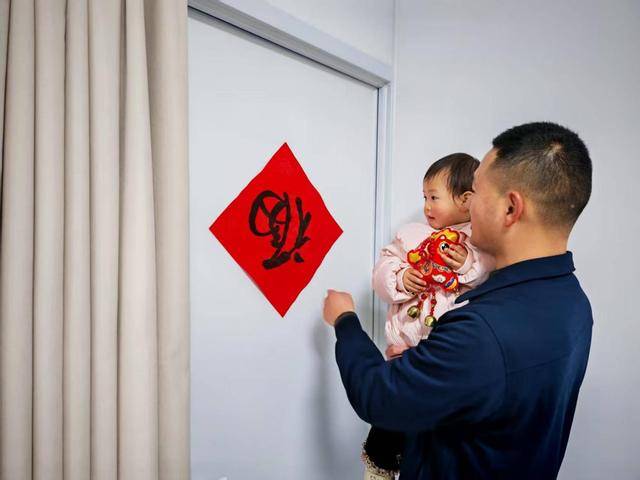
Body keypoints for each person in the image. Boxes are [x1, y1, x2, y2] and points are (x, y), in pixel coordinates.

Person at [324, 122, 593, 479]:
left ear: (510, 208)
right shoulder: (573, 302)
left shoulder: (483, 330)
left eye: (476, 192)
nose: (468, 204)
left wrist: (345, 321)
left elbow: (381, 397)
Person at [362, 153, 495, 479]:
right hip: (404, 354)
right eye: (424, 197)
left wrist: (467, 264)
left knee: (431, 435)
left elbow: (487, 272)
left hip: (445, 360)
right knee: (386, 424)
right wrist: (400, 278)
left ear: (465, 200)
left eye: (433, 197)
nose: (426, 206)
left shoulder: (478, 242)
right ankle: (379, 469)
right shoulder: (411, 236)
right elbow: (381, 270)